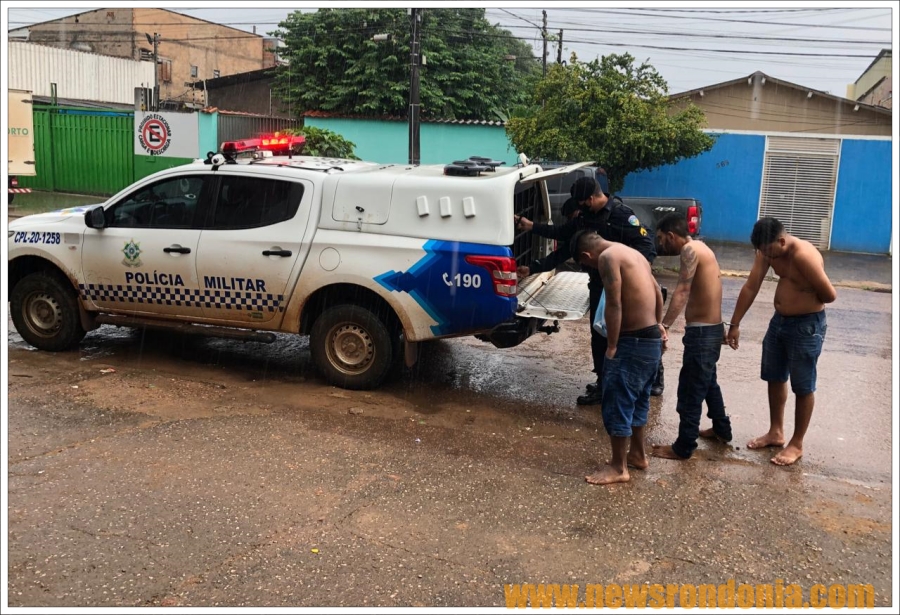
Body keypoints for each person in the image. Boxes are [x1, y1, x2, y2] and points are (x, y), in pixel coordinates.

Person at [516, 175, 658, 405]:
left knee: (636, 330)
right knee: (599, 334)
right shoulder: (585, 217)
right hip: (599, 285)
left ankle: (652, 378)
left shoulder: (622, 215)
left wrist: (635, 275)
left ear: (591, 198)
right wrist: (533, 246)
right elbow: (563, 237)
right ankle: (604, 383)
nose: (579, 209)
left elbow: (646, 246)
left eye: (582, 203)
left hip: (624, 287)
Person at [725, 217, 836, 466]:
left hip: (807, 326)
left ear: (782, 241)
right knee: (774, 376)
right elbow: (751, 286)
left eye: (768, 252)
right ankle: (776, 431)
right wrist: (734, 324)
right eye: (761, 252)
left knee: (803, 385)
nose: (766, 257)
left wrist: (805, 293)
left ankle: (796, 443)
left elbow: (830, 295)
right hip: (779, 322)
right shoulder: (767, 250)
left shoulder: (803, 256)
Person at [573, 230, 666, 485]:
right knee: (638, 400)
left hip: (631, 340)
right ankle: (637, 454)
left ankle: (618, 467)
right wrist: (659, 325)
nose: (592, 267)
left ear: (587, 255)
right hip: (649, 340)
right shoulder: (635, 254)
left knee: (617, 400)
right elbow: (658, 293)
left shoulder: (608, 257)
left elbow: (614, 303)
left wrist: (611, 345)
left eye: (586, 265)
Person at [650, 213, 732, 460]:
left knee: (690, 389)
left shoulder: (689, 250)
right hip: (711, 328)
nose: (662, 244)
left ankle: (683, 447)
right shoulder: (703, 247)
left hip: (703, 332)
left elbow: (683, 291)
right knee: (707, 382)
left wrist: (664, 324)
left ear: (672, 235)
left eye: (662, 239)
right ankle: (721, 429)